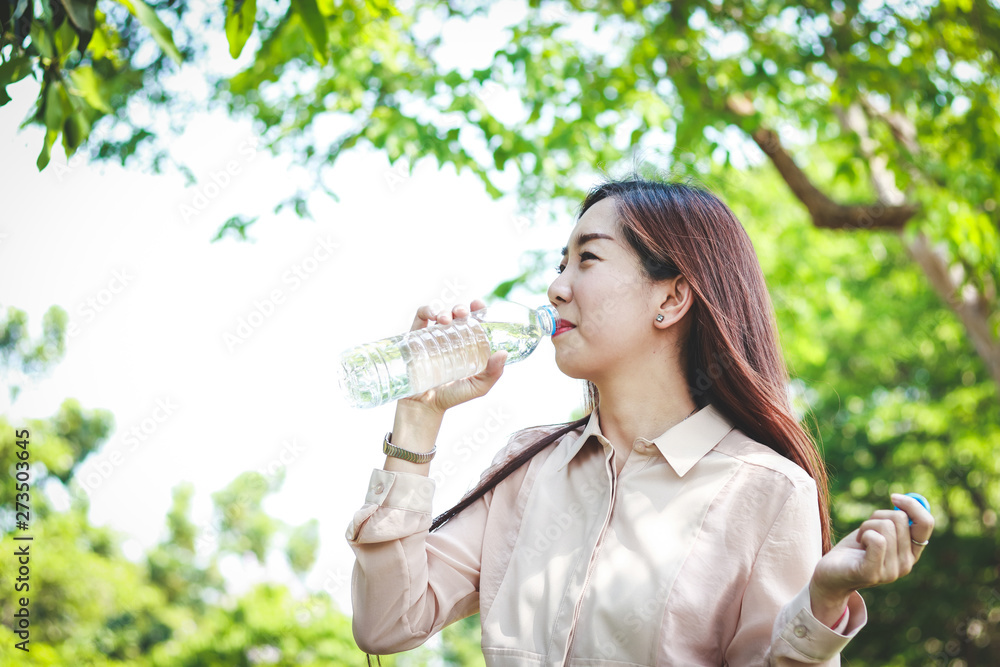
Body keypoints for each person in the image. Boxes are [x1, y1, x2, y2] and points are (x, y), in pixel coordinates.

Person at [345, 176, 934, 666]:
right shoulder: (528, 468)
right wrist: (418, 416)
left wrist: (822, 601)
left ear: (671, 299)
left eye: (587, 258)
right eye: (560, 264)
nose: (555, 288)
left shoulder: (768, 491)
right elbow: (387, 623)